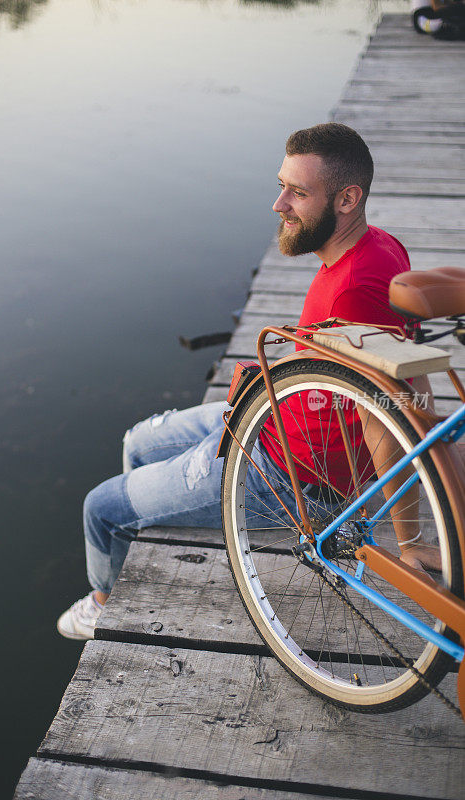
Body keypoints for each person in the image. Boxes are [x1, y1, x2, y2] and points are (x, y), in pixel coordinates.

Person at [57, 122, 437, 641]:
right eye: (281, 185)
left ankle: (103, 604)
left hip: (291, 476)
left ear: (348, 199)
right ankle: (153, 521)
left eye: (298, 193)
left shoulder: (353, 291)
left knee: (100, 511)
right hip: (270, 414)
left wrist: (409, 539)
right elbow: (408, 364)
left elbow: (386, 416)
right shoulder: (377, 245)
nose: (278, 204)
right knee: (139, 442)